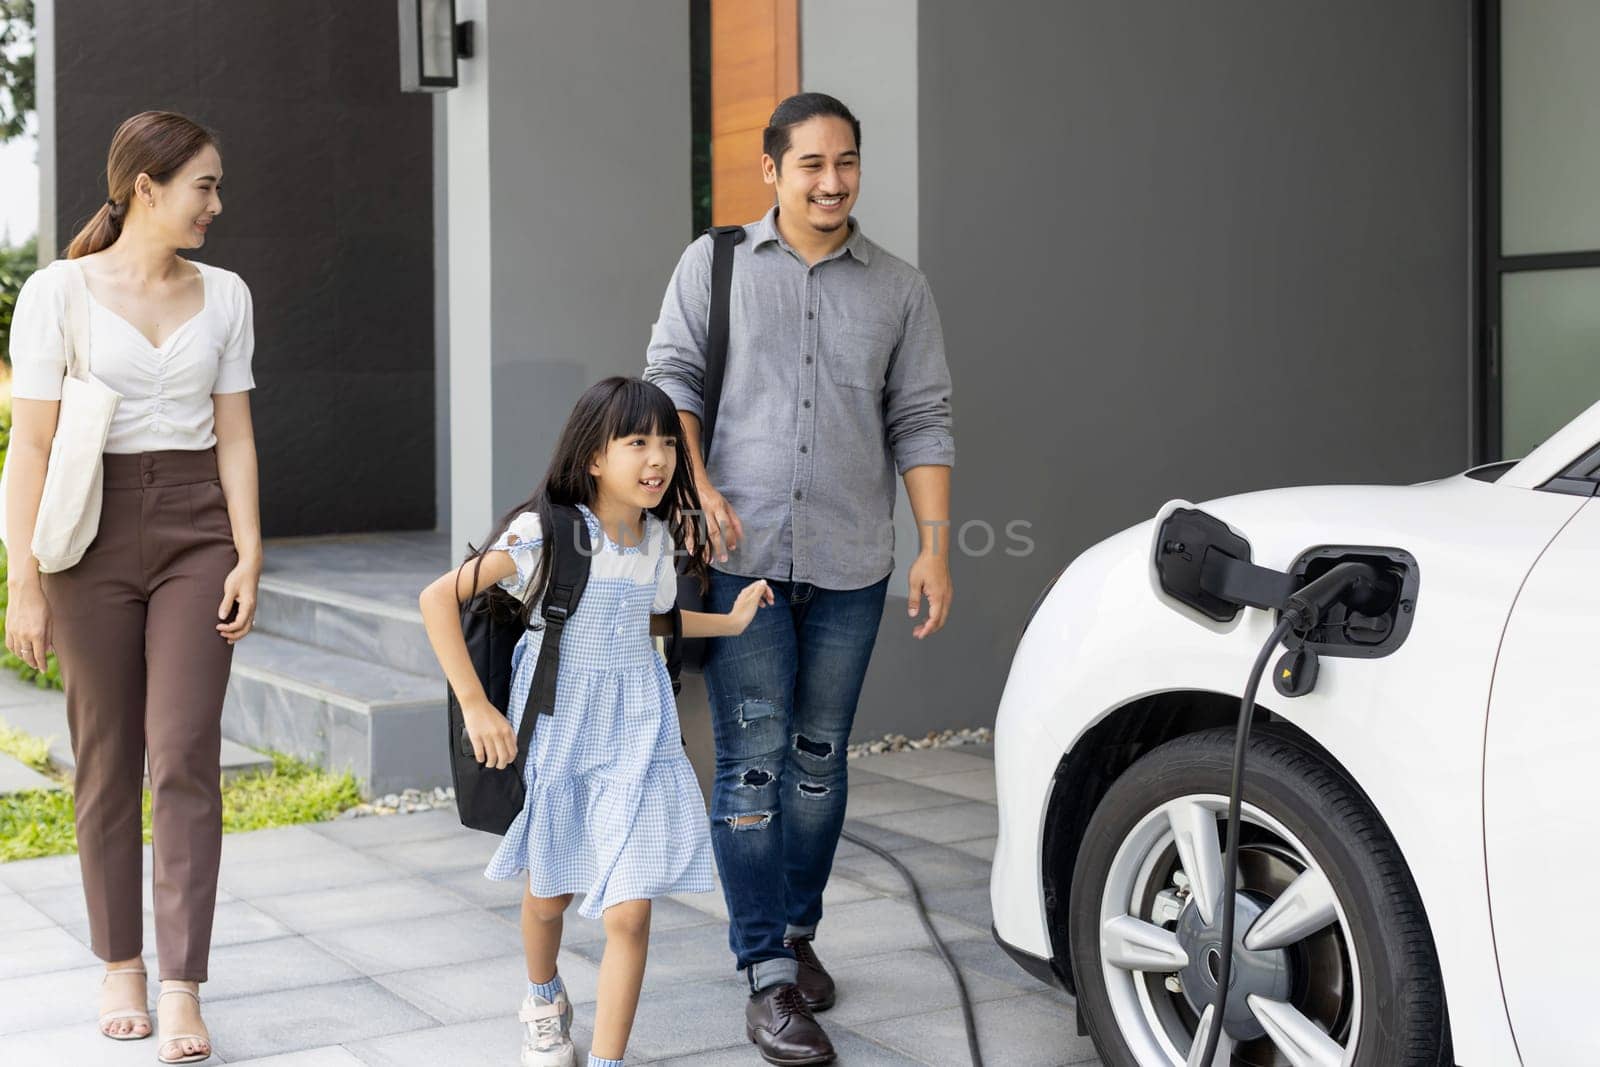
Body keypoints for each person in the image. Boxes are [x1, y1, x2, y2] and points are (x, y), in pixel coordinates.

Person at [644, 92, 956, 1064]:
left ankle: (794, 928)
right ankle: (766, 975)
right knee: (749, 761)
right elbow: (672, 382)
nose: (832, 181)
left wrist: (936, 542)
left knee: (817, 761)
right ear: (771, 171)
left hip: (851, 560)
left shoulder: (898, 289)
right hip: (739, 565)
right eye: (811, 163)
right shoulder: (716, 264)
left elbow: (923, 420)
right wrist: (696, 486)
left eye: (846, 162)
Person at [418, 376, 774, 1067]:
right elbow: (438, 599)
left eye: (668, 442)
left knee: (630, 910)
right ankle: (543, 996)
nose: (659, 457)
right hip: (561, 726)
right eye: (638, 441)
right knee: (548, 896)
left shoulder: (655, 535)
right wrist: (475, 703)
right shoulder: (547, 533)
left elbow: (648, 617)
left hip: (638, 726)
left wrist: (728, 620)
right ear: (593, 456)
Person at [3, 110, 261, 1065]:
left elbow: (234, 433)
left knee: (185, 750)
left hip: (197, 525)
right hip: (87, 534)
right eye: (204, 185)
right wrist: (21, 578)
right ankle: (121, 962)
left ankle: (184, 981)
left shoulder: (226, 294)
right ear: (146, 187)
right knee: (106, 753)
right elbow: (29, 446)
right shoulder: (57, 293)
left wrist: (249, 549)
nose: (216, 204)